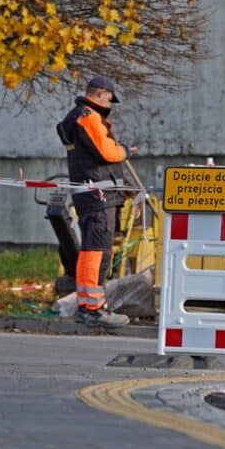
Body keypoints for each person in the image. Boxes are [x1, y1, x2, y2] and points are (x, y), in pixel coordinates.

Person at [56, 75, 136, 328]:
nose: (110, 105)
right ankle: (93, 308)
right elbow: (107, 152)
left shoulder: (74, 117)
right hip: (99, 194)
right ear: (101, 93)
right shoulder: (88, 116)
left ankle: (88, 305)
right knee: (97, 251)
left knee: (91, 249)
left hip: (88, 193)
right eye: (110, 99)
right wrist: (123, 150)